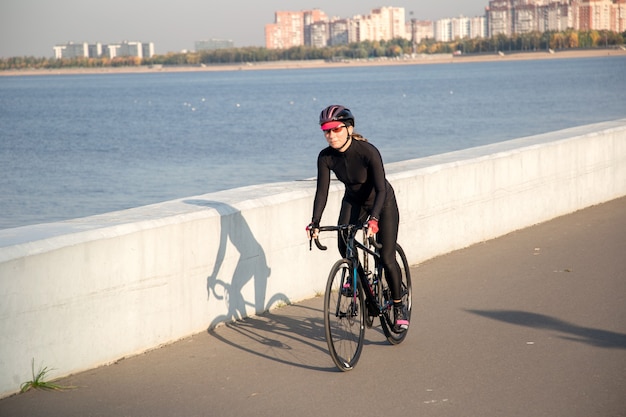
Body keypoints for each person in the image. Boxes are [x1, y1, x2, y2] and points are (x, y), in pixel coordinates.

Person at [306, 104, 408, 331]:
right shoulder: (325, 157)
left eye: (335, 129)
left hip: (382, 202)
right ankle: (357, 282)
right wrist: (315, 222)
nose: (330, 135)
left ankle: (399, 304)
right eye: (326, 130)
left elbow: (381, 189)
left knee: (387, 257)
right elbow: (321, 192)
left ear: (349, 128)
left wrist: (374, 219)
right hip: (353, 201)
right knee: (344, 243)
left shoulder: (367, 152)